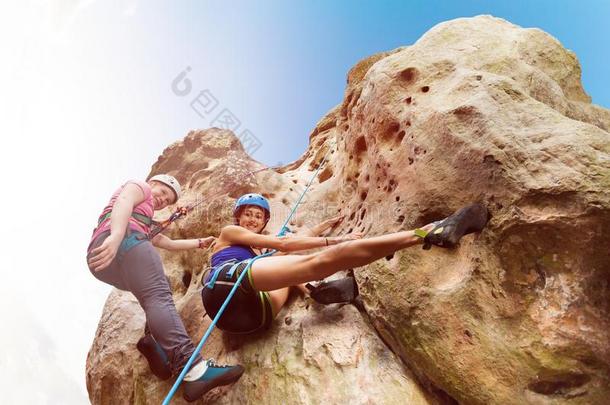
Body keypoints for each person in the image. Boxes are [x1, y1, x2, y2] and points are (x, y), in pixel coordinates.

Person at [201, 193, 489, 334]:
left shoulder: (256, 250)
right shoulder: (229, 234)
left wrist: (323, 227)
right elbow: (287, 244)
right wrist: (336, 240)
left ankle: (315, 292)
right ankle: (430, 231)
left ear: (264, 222)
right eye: (248, 214)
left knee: (288, 272)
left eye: (258, 216)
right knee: (311, 261)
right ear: (238, 217)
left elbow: (290, 246)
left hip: (252, 319)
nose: (252, 219)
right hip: (226, 283)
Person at [86, 175, 244, 402]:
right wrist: (117, 235)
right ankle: (195, 370)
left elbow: (168, 244)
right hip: (121, 241)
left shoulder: (145, 220)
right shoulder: (140, 186)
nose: (162, 200)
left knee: (157, 293)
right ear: (152, 183)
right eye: (162, 193)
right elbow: (124, 200)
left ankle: (153, 342)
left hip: (104, 260)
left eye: (167, 200)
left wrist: (200, 242)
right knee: (159, 297)